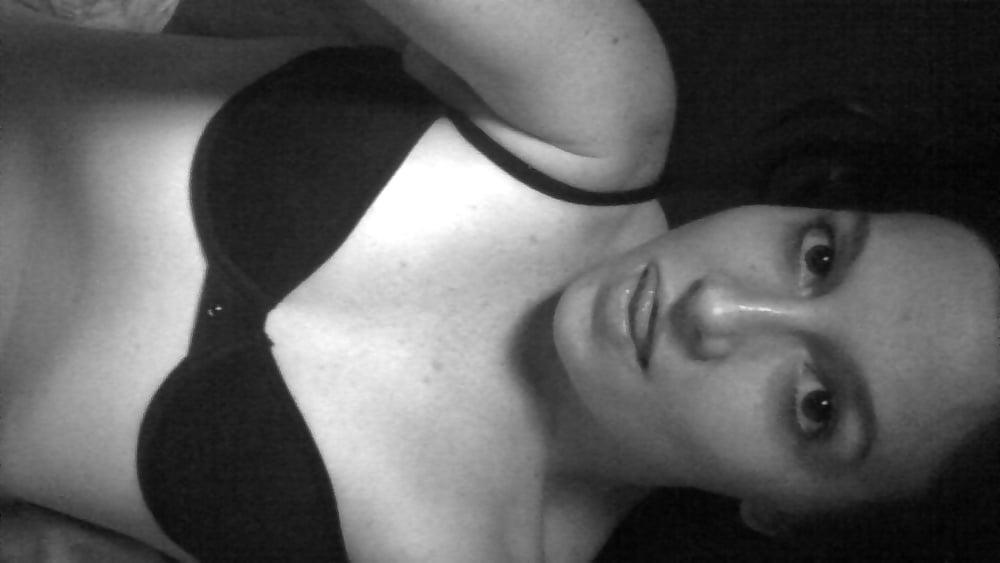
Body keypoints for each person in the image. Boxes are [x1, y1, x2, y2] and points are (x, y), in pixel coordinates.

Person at [1, 3, 998, 563]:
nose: (721, 308)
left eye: (817, 404)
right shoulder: (594, 116)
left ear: (788, 516)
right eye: (818, 255)